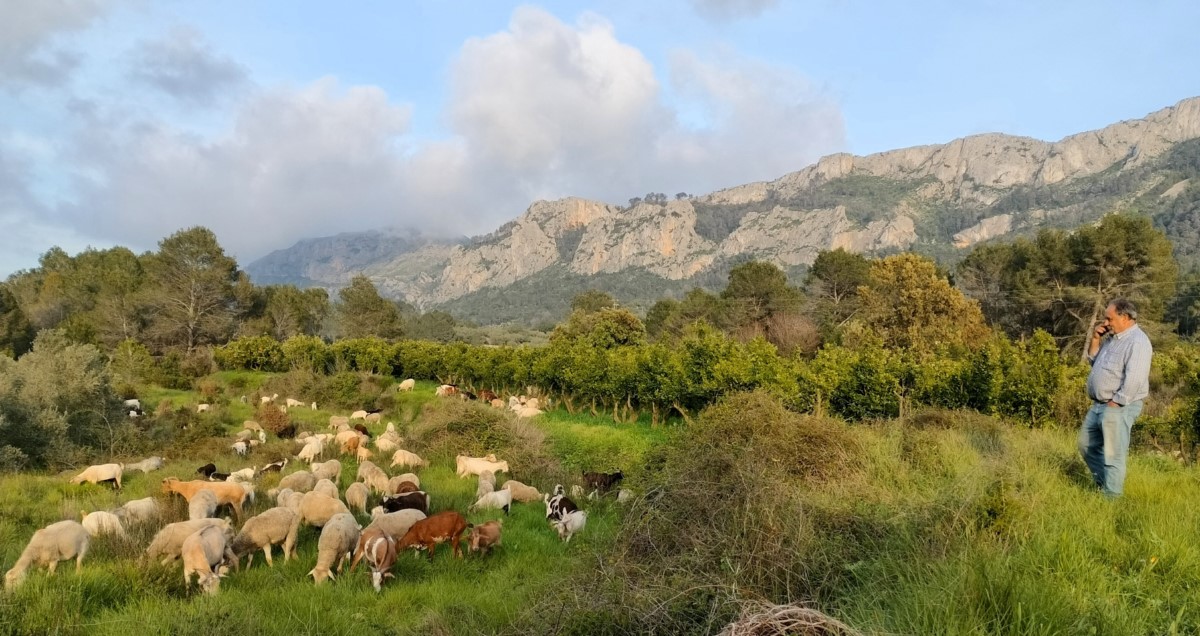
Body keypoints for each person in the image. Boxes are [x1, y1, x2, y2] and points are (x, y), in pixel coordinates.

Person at [1079, 298, 1152, 497]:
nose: (1106, 322)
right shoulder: (1113, 339)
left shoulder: (1138, 342)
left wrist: (1115, 402)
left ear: (1125, 317)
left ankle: (1111, 499)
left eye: (1109, 318)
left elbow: (1135, 378)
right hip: (1098, 405)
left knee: (1113, 454)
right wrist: (1095, 339)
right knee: (1086, 445)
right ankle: (1104, 485)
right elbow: (1094, 361)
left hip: (1118, 406)